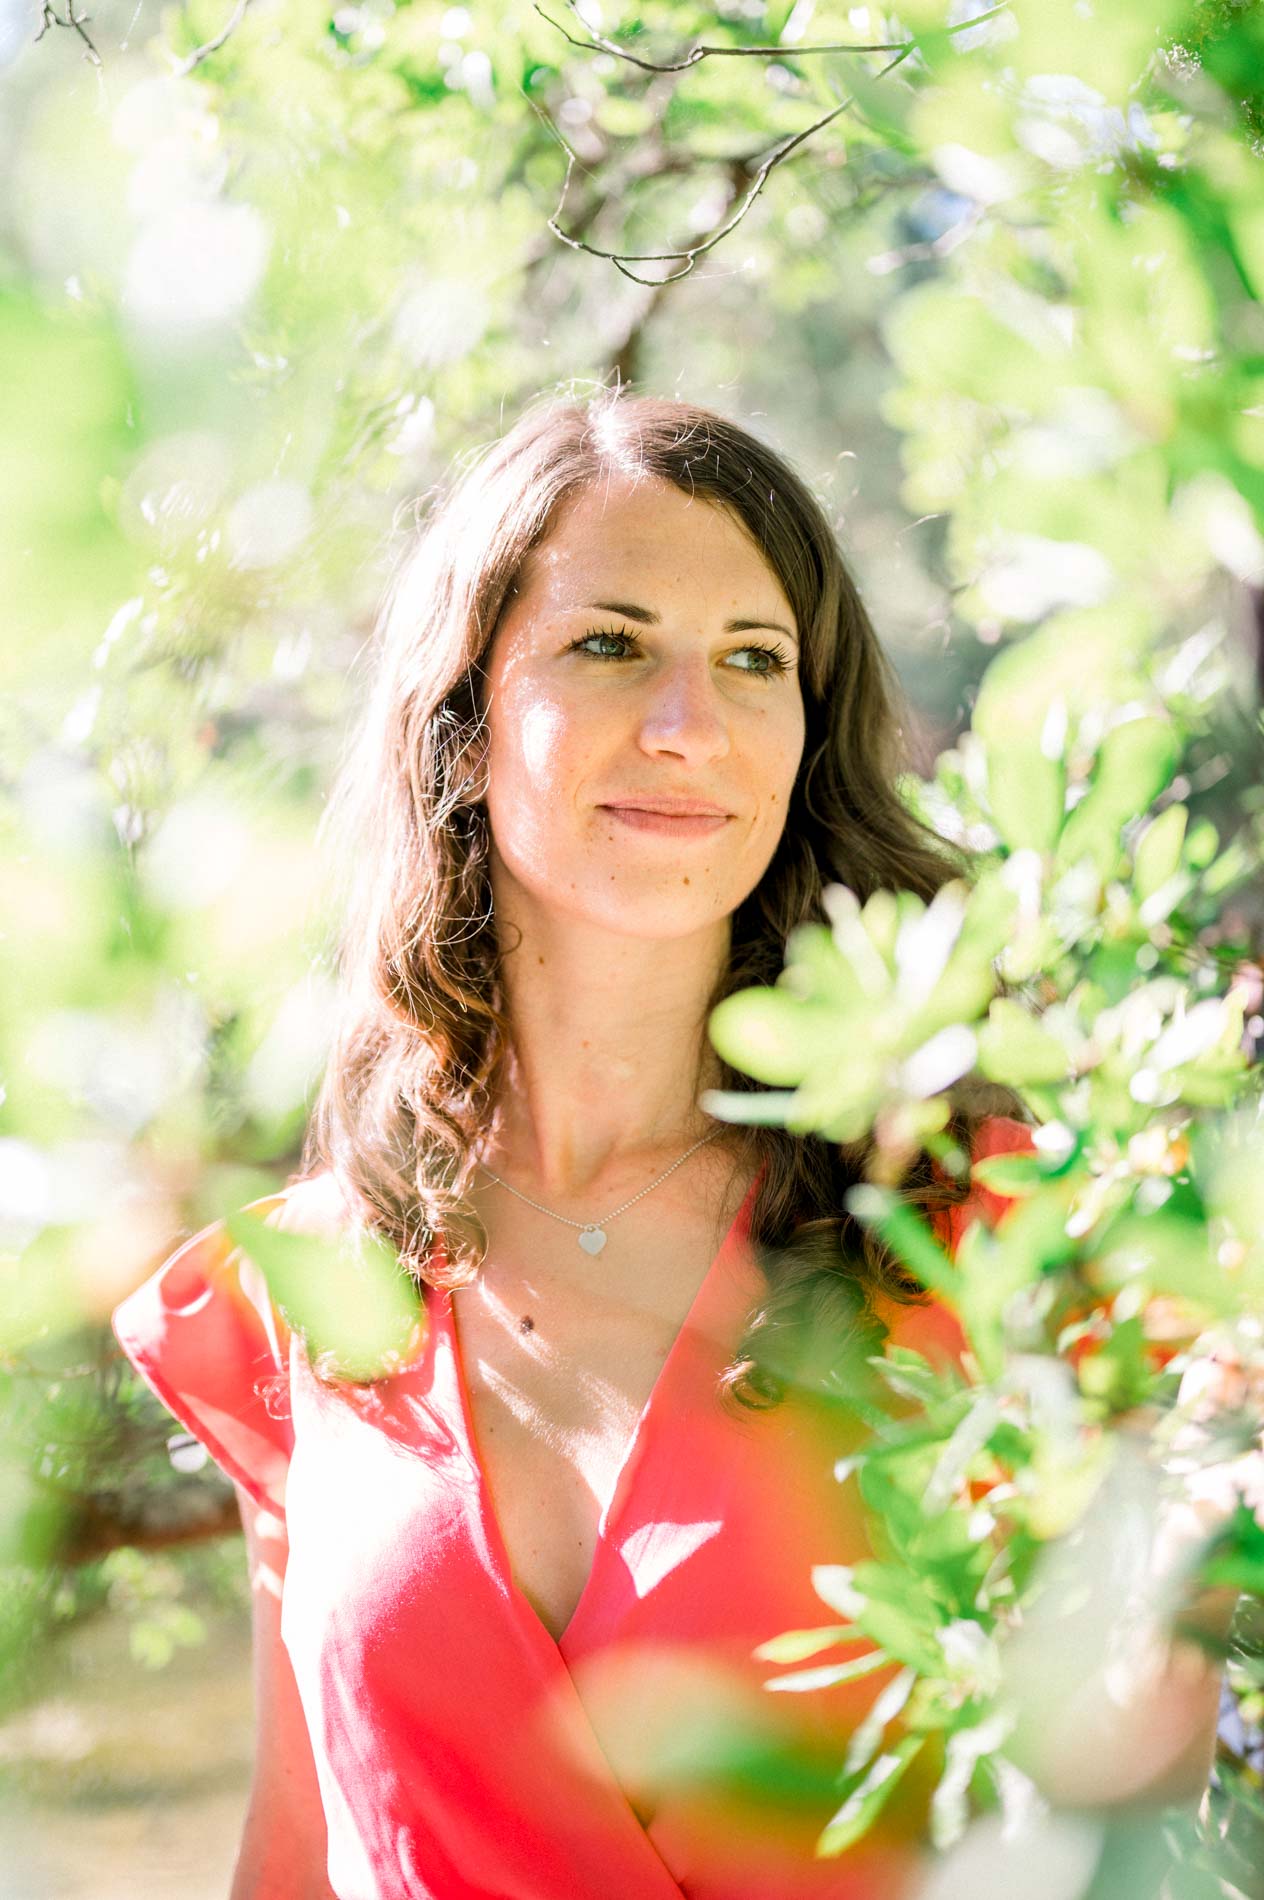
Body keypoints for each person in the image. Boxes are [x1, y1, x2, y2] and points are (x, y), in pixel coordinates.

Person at [111, 391, 1229, 1900]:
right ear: (463, 718)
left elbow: (1130, 1828)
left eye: (753, 662)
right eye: (610, 643)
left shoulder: (992, 1238)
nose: (689, 726)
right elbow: (298, 1858)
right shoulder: (300, 1296)